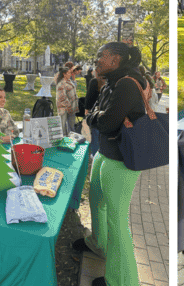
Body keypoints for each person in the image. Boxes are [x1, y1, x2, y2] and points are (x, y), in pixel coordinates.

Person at [73, 42, 150, 286]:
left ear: (115, 59)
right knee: (97, 202)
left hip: (120, 162)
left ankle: (122, 281)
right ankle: (98, 244)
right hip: (105, 154)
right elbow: (96, 112)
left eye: (100, 56)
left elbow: (105, 122)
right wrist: (96, 116)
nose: (96, 61)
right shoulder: (111, 82)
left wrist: (94, 117)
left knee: (117, 224)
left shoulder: (127, 83)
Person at [56, 65, 79, 133]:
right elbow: (62, 97)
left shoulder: (69, 81)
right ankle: (63, 141)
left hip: (71, 108)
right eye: (69, 73)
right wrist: (69, 107)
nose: (70, 74)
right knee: (62, 127)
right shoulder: (61, 84)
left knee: (71, 127)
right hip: (64, 108)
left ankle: (71, 140)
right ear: (64, 74)